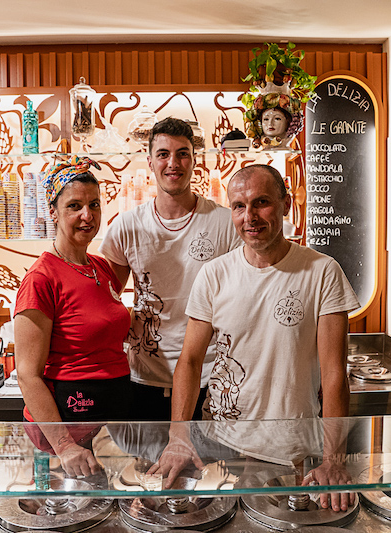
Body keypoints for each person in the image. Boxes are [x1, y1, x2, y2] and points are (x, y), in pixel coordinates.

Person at [154, 163, 360, 510]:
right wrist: (178, 435)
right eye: (238, 206)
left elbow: (334, 374)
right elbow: (189, 361)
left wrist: (333, 459)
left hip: (288, 446)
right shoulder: (214, 275)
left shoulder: (322, 271)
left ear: (286, 205)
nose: (250, 216)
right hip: (218, 441)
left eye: (261, 202)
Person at [100, 117, 242, 420]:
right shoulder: (127, 226)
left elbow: (243, 301)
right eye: (163, 154)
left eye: (182, 153)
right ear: (150, 162)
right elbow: (105, 301)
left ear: (195, 160)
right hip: (145, 377)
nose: (172, 163)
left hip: (211, 376)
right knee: (147, 466)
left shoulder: (225, 223)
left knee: (209, 465)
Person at [14, 156, 132, 477]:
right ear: (53, 212)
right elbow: (27, 374)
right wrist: (64, 445)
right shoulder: (41, 278)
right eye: (74, 206)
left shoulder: (101, 267)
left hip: (110, 423)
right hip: (70, 428)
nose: (87, 215)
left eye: (94, 205)